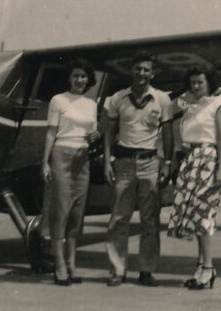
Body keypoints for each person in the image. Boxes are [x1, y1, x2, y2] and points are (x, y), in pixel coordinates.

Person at [102, 51, 174, 287]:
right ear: (131, 71)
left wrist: (167, 163)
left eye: (146, 70)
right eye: (138, 69)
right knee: (119, 219)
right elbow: (109, 132)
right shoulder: (118, 99)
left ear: (153, 73)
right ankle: (117, 270)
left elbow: (168, 133)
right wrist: (107, 160)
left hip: (150, 163)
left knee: (150, 220)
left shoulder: (162, 100)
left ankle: (146, 269)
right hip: (123, 163)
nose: (141, 73)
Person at [167, 66, 221, 291]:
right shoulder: (191, 108)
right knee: (194, 215)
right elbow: (178, 132)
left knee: (203, 215)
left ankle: (209, 268)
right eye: (192, 83)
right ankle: (201, 267)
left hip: (208, 160)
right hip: (191, 159)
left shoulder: (218, 105)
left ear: (209, 82)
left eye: (199, 82)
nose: (195, 87)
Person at [42, 59, 99, 286]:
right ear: (69, 78)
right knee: (61, 210)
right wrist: (44, 162)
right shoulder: (58, 100)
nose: (79, 80)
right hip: (61, 155)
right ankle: (60, 266)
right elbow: (50, 133)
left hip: (82, 158)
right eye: (75, 75)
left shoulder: (91, 103)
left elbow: (92, 132)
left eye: (83, 76)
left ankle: (72, 264)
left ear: (88, 79)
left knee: (77, 212)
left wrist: (96, 136)